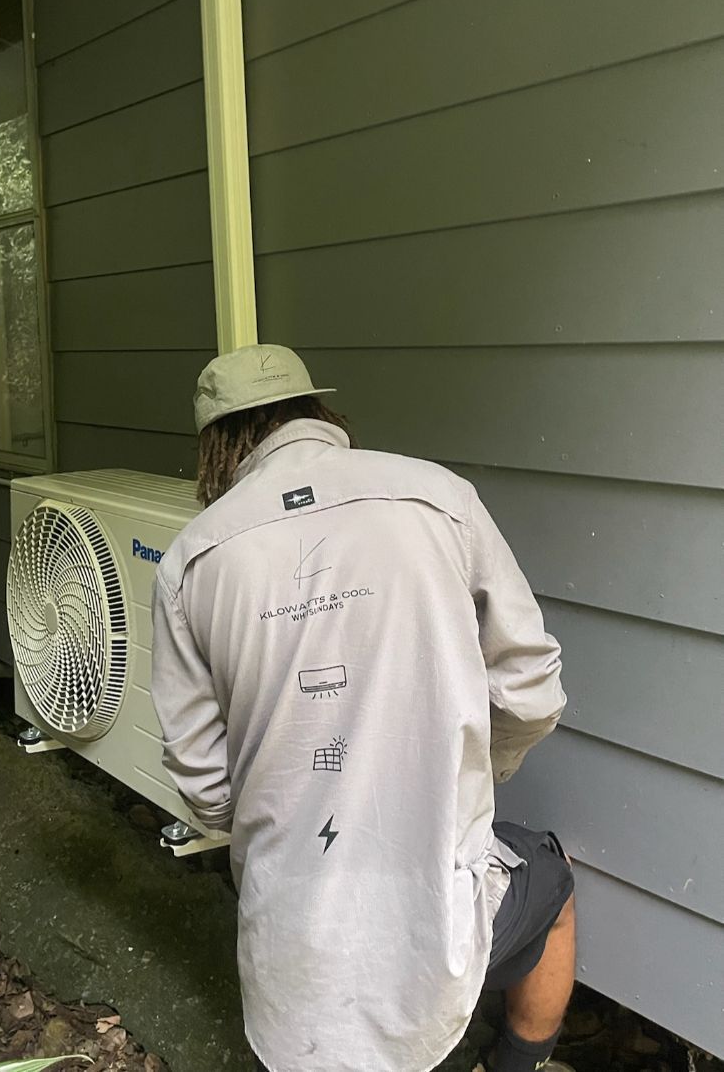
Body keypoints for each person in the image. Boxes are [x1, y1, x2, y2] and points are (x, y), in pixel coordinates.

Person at [150, 344, 575, 1072]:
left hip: (290, 939)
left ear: (217, 443)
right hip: (430, 915)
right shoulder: (437, 496)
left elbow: (202, 783)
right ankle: (516, 1063)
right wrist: (479, 768)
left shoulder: (191, 560)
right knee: (552, 880)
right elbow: (531, 689)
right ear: (319, 410)